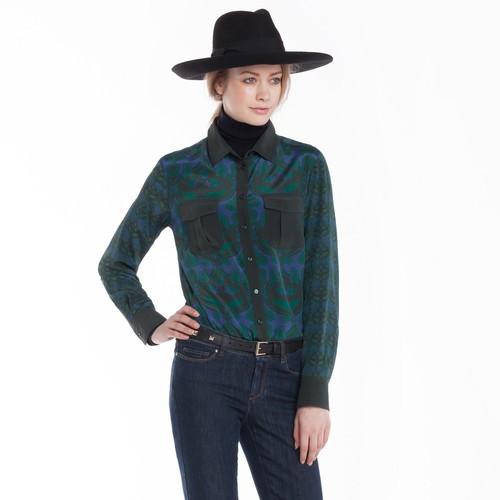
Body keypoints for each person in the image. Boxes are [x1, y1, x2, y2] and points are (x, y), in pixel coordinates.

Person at [98, 8, 339, 500]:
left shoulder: (305, 166)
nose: (265, 93)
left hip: (287, 375)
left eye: (275, 79)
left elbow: (322, 284)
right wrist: (150, 322)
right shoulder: (177, 173)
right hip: (205, 373)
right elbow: (116, 262)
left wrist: (315, 391)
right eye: (250, 79)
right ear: (219, 84)